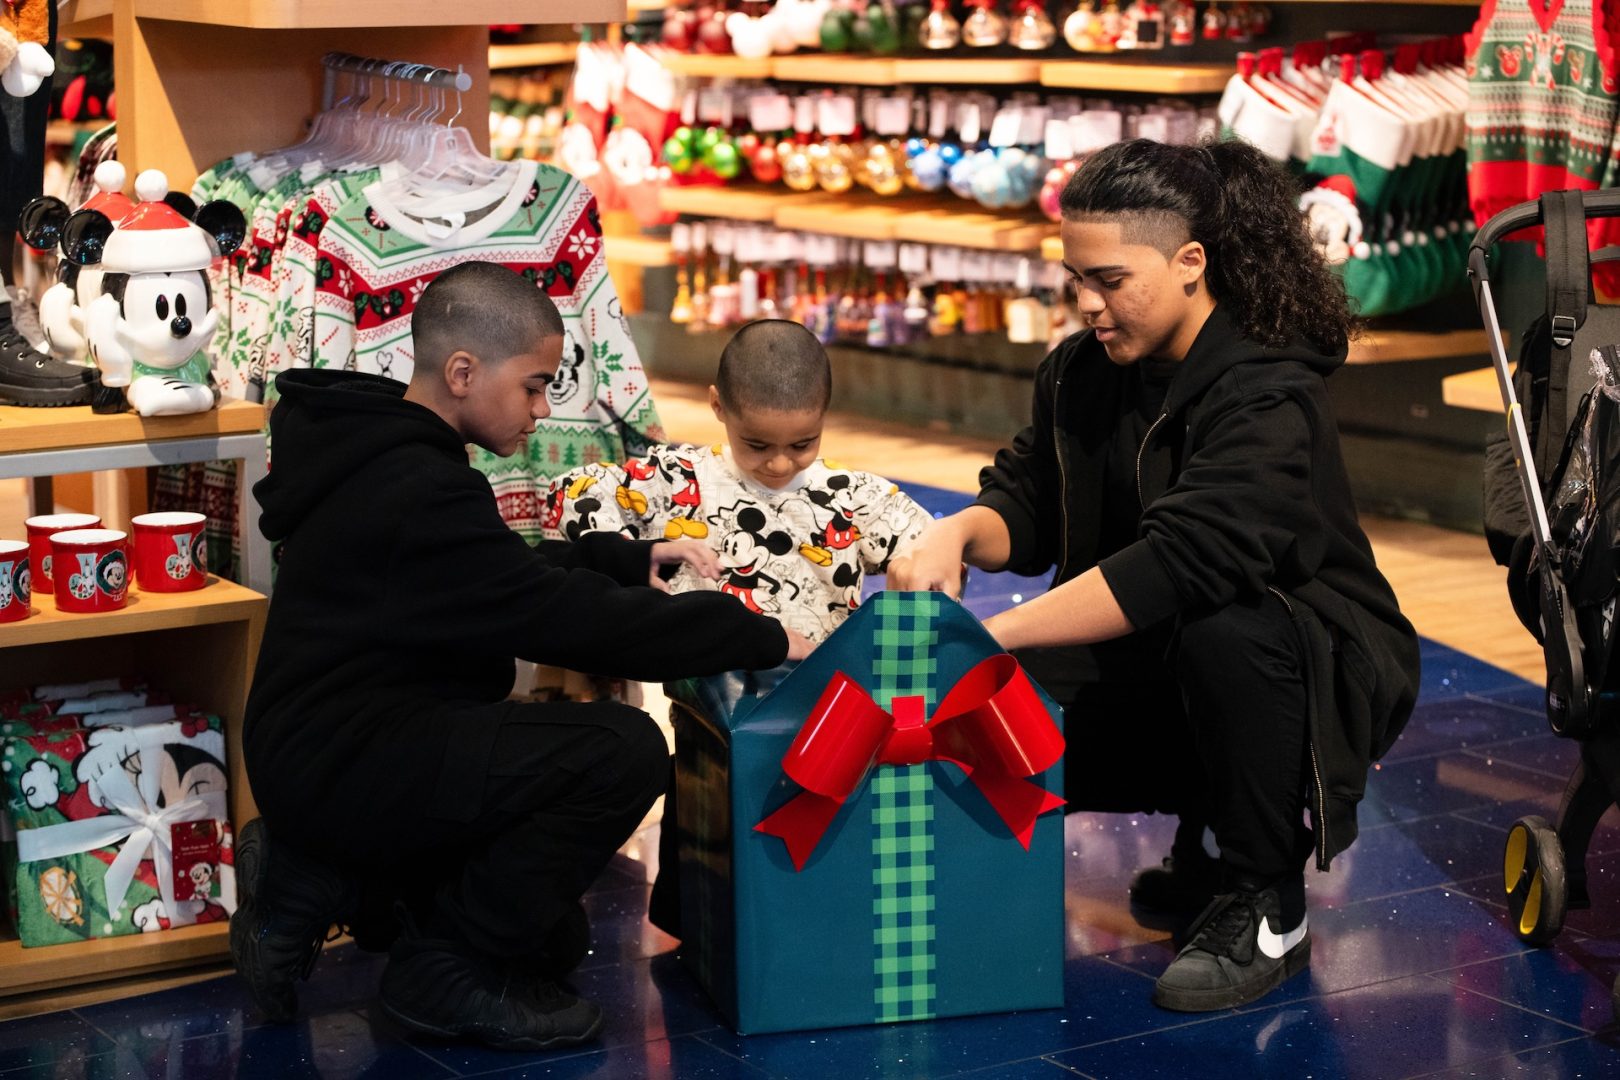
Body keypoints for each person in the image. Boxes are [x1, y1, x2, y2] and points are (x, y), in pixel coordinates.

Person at [888, 138, 1421, 1012]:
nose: (1088, 304)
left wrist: (988, 634)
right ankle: (1207, 838)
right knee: (974, 709)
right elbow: (1030, 496)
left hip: (1313, 677)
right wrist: (956, 534)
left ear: (1190, 262)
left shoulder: (1266, 389)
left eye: (1109, 280)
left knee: (1226, 627)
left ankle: (1264, 899)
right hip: (1167, 664)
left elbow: (1186, 561)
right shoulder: (1081, 371)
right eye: (1075, 280)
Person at [231, 262, 813, 1051]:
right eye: (534, 386)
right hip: (340, 761)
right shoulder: (414, 485)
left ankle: (319, 879)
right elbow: (556, 619)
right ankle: (438, 971)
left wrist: (623, 561)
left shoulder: (385, 456)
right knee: (622, 750)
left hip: (335, 745)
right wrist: (763, 635)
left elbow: (493, 572)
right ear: (464, 373)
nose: (543, 411)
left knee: (552, 941)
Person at [545, 318, 932, 643]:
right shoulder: (676, 479)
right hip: (708, 696)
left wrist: (915, 581)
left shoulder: (853, 496)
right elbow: (573, 494)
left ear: (824, 414)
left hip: (824, 697)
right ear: (718, 405)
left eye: (802, 443)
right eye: (757, 444)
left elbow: (937, 550)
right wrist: (636, 557)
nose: (779, 464)